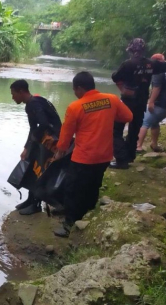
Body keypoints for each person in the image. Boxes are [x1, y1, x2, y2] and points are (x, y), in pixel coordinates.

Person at [53, 72, 133, 237]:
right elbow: (128, 116)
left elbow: (65, 136)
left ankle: (69, 223)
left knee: (73, 189)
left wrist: (59, 153)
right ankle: (87, 215)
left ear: (80, 88)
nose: (74, 93)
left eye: (75, 90)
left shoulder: (75, 107)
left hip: (83, 157)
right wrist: (106, 118)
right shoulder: (111, 99)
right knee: (93, 186)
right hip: (104, 156)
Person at [110, 38, 166, 169]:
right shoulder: (151, 63)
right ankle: (130, 156)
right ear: (143, 50)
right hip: (142, 102)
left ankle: (121, 159)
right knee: (134, 129)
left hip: (128, 101)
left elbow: (115, 77)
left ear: (131, 50)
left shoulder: (128, 64)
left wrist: (123, 88)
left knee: (115, 130)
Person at [10, 79, 62, 215]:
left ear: (21, 92)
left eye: (13, 94)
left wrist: (34, 140)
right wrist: (27, 147)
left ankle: (36, 204)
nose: (13, 97)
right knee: (33, 167)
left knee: (40, 171)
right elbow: (33, 128)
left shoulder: (34, 103)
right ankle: (30, 199)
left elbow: (44, 124)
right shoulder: (32, 103)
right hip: (44, 139)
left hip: (52, 142)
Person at [136, 54, 166, 152]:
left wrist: (151, 102)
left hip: (161, 103)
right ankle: (154, 144)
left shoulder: (158, 71)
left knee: (144, 122)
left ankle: (138, 146)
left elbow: (156, 88)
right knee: (154, 122)